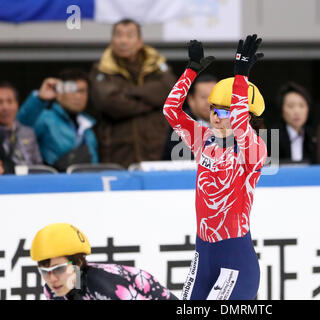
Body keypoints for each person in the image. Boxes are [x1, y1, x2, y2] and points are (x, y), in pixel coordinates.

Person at [163, 35, 267, 300]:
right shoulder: (203, 139)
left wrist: (241, 75)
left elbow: (241, 126)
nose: (216, 117)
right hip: (204, 254)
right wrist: (190, 71)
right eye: (213, 110)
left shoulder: (254, 150)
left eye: (225, 111)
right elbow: (171, 111)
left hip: (236, 260)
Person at [89, 18, 177, 168]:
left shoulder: (156, 64)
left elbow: (170, 90)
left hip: (156, 150)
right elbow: (107, 102)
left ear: (139, 41)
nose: (123, 41)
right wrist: (150, 105)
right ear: (112, 41)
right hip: (117, 153)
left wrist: (128, 91)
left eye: (129, 36)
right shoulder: (101, 69)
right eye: (118, 35)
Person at [30, 223, 178, 300]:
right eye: (45, 272)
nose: (52, 279)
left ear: (78, 263)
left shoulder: (109, 288)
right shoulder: (52, 290)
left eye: (59, 269)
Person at [17, 69, 97, 172]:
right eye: (71, 90)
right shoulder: (44, 118)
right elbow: (20, 127)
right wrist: (39, 99)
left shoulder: (88, 127)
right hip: (54, 184)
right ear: (58, 93)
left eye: (82, 91)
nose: (78, 96)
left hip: (86, 184)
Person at [163, 74, 217, 160]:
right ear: (191, 100)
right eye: (203, 97)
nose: (209, 102)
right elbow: (181, 158)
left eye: (214, 97)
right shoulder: (179, 125)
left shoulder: (230, 122)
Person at [269, 82, 316, 164]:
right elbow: (267, 171)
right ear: (281, 109)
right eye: (291, 106)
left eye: (302, 106)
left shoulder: (312, 136)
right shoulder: (271, 136)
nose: (297, 111)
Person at [0, 82, 42, 174]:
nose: (5, 107)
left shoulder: (28, 132)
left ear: (17, 104)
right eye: (0, 102)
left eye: (10, 101)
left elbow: (39, 166)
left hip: (30, 183)